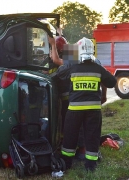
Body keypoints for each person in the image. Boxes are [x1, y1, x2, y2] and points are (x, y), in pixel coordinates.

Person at [50, 37, 117, 172]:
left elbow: (56, 76)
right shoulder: (98, 68)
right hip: (93, 111)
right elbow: (112, 82)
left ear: (77, 51)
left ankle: (67, 163)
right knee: (92, 137)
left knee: (70, 137)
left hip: (74, 110)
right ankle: (90, 167)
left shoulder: (71, 67)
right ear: (92, 51)